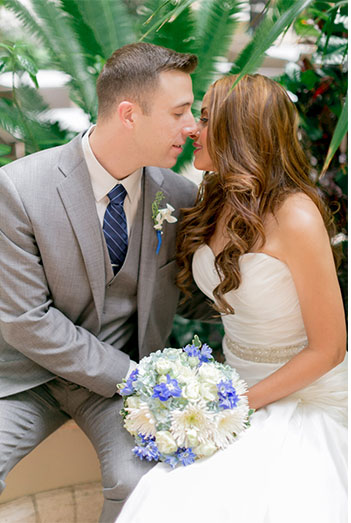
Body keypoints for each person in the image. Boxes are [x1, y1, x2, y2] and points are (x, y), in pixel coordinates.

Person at [117, 74, 348, 522]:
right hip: (233, 383)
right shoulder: (213, 198)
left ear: (238, 131)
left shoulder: (296, 216)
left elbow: (330, 348)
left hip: (300, 398)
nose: (192, 130)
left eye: (204, 118)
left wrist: (236, 406)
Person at [0, 42, 214, 522]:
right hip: (27, 377)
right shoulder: (19, 189)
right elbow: (25, 320)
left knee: (139, 484)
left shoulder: (179, 197)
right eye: (179, 112)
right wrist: (139, 379)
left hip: (116, 391)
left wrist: (263, 297)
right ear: (129, 114)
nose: (192, 127)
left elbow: (192, 293)